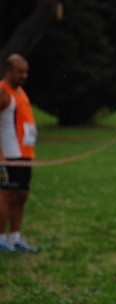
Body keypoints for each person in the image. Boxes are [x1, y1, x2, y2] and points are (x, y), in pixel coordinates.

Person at [0, 54, 38, 253]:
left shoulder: (21, 92)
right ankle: (1, 238)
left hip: (25, 155)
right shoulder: (2, 92)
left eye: (26, 71)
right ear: (9, 70)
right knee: (7, 196)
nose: (24, 75)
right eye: (20, 72)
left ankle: (15, 237)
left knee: (21, 195)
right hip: (9, 156)